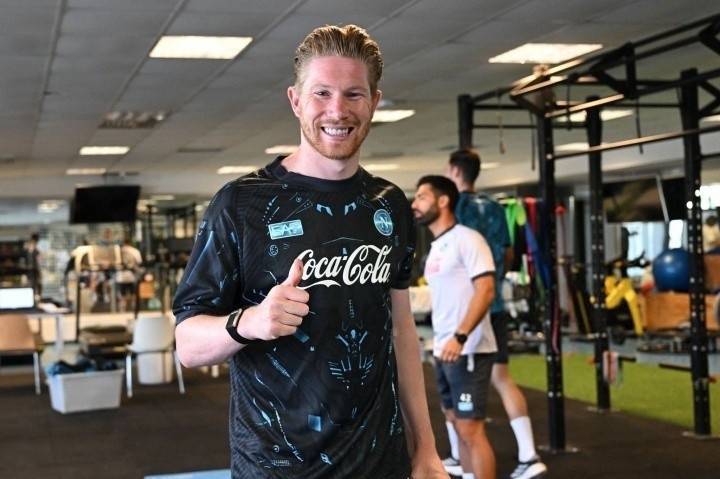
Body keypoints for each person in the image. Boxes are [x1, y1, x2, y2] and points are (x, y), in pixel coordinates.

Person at [173, 24, 447, 479]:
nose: (338, 110)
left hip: (380, 463)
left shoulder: (390, 204)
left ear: (374, 102)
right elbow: (187, 345)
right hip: (277, 468)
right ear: (296, 100)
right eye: (321, 93)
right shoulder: (240, 204)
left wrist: (427, 449)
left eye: (354, 94)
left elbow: (401, 332)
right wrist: (251, 322)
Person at [447, 149, 547, 479]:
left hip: (468, 311)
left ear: (454, 171)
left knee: (455, 384)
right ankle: (529, 455)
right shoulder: (494, 207)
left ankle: (460, 457)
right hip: (496, 305)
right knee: (502, 379)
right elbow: (507, 253)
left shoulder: (454, 208)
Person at [412, 175, 497, 479]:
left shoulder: (468, 239)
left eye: (422, 197)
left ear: (443, 200)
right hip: (444, 348)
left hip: (468, 348)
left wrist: (460, 336)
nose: (415, 204)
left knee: (470, 429)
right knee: (456, 425)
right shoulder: (437, 247)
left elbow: (486, 290)